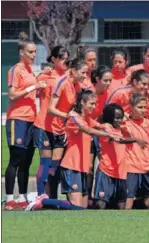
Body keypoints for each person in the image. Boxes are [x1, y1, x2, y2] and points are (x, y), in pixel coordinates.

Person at [25, 90, 119, 211]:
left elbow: (97, 125)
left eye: (95, 103)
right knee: (77, 208)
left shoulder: (86, 118)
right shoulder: (74, 117)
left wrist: (105, 125)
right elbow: (89, 130)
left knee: (83, 207)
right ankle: (42, 200)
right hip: (72, 167)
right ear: (82, 102)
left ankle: (45, 201)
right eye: (91, 103)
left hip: (82, 168)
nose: (94, 106)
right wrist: (107, 135)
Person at [4, 32, 47, 210]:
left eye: (35, 52)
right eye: (30, 52)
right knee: (16, 158)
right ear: (22, 52)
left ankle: (21, 197)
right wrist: (34, 86)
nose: (34, 55)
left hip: (31, 120)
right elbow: (13, 95)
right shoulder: (15, 70)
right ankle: (8, 199)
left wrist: (40, 79)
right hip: (18, 119)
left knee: (27, 160)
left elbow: (31, 91)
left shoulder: (30, 71)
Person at [46, 58, 88, 198]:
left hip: (67, 129)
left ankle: (66, 195)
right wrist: (67, 115)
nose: (85, 76)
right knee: (55, 163)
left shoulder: (77, 86)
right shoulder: (62, 83)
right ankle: (48, 197)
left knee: (66, 163)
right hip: (56, 129)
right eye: (83, 72)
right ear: (74, 71)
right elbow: (51, 109)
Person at [93, 104, 148, 210]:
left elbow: (127, 132)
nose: (120, 120)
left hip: (121, 172)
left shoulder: (122, 129)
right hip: (106, 171)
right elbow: (119, 140)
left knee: (121, 205)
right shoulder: (105, 128)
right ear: (109, 117)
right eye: (117, 117)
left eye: (121, 117)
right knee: (100, 204)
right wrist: (136, 139)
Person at [34, 45, 70, 198]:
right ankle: (41, 196)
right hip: (44, 125)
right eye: (62, 59)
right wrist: (40, 77)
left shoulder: (69, 77)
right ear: (54, 59)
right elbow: (35, 94)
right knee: (45, 162)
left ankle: (52, 197)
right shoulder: (45, 76)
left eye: (66, 59)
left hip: (60, 127)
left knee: (55, 164)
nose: (65, 62)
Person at [87, 65, 113, 200]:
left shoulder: (107, 94)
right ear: (97, 79)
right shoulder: (88, 93)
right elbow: (82, 116)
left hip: (97, 132)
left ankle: (97, 195)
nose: (108, 84)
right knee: (89, 165)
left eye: (110, 81)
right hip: (85, 132)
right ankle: (86, 196)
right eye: (106, 80)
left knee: (102, 163)